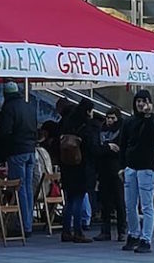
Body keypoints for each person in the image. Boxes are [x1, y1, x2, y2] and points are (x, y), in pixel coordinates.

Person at [119, 89, 154, 254]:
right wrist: (122, 166)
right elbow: (123, 144)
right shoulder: (129, 122)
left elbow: (152, 134)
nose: (141, 104)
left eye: (144, 101)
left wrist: (148, 116)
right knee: (130, 205)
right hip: (131, 167)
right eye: (138, 101)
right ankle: (133, 234)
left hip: (146, 168)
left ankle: (146, 239)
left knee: (146, 205)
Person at [0, 81, 37, 238]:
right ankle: (28, 223)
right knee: (27, 188)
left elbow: (6, 131)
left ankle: (24, 225)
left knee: (19, 188)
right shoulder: (28, 106)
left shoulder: (9, 108)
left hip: (17, 151)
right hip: (30, 150)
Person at [60, 98, 98, 244]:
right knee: (78, 198)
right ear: (88, 111)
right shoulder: (86, 126)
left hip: (66, 165)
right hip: (81, 166)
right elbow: (91, 147)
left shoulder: (66, 122)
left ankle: (66, 231)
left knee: (69, 199)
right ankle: (78, 231)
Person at [94, 107, 127, 242]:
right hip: (104, 170)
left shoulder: (122, 130)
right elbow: (97, 150)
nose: (109, 120)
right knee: (105, 202)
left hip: (117, 170)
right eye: (108, 117)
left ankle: (122, 231)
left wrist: (108, 148)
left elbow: (120, 149)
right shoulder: (101, 130)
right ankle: (105, 231)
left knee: (119, 202)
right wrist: (108, 147)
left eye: (113, 118)